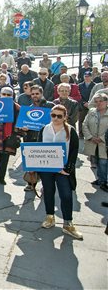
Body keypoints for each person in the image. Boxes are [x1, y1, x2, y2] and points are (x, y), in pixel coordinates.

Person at [37, 105, 83, 240]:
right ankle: (50, 217)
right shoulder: (44, 129)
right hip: (47, 170)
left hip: (63, 170)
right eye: (53, 115)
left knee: (66, 195)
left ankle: (68, 223)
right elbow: (38, 148)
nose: (56, 118)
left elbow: (74, 151)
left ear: (65, 117)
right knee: (48, 193)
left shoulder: (70, 130)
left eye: (59, 116)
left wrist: (68, 169)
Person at [82, 93, 108, 191]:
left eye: (101, 101)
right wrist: (90, 137)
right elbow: (84, 124)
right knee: (96, 161)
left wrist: (101, 138)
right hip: (92, 142)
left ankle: (104, 182)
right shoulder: (91, 111)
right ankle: (100, 179)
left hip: (104, 143)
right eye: (96, 101)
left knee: (103, 162)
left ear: (106, 102)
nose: (98, 103)